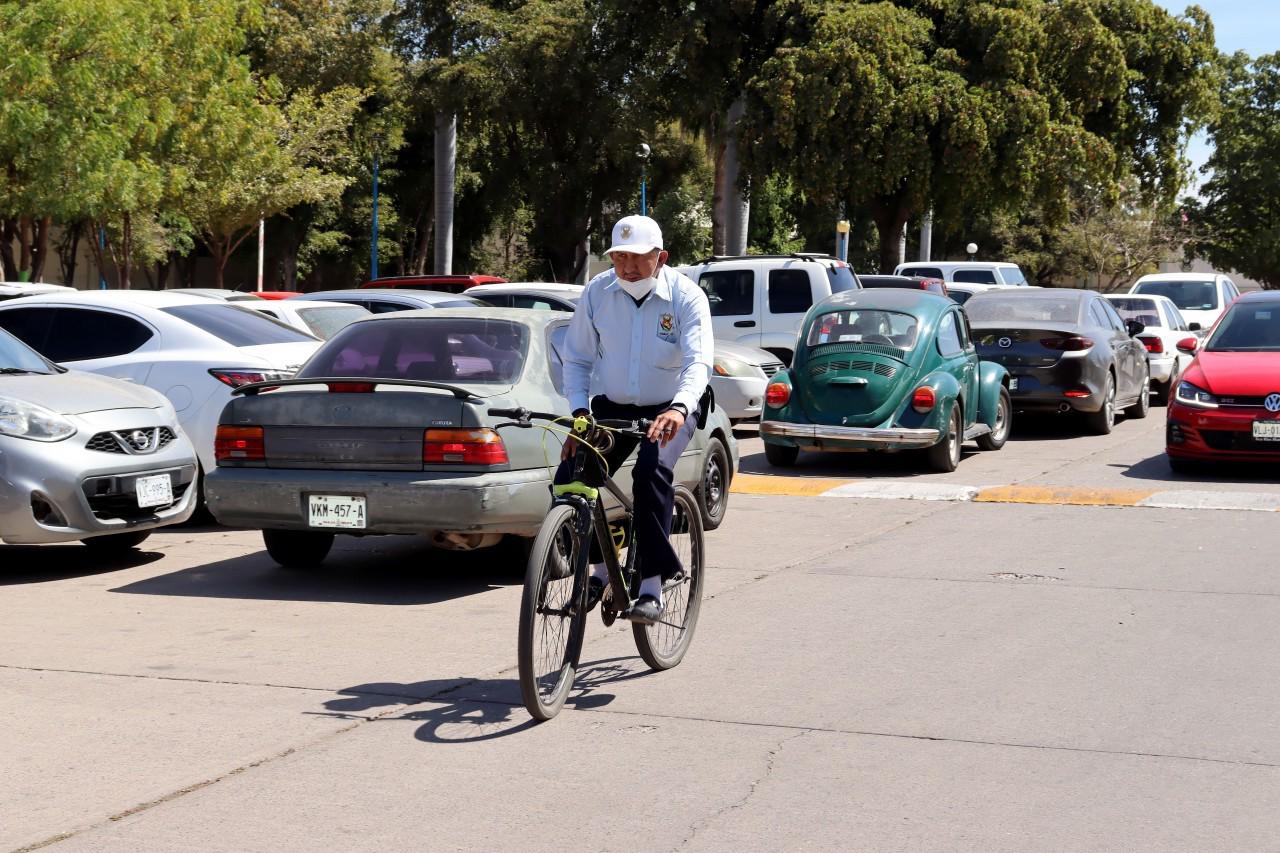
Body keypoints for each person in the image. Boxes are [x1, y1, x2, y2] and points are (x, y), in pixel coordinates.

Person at [558, 214, 713, 624]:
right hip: (614, 404)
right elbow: (577, 358)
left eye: (637, 257)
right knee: (574, 473)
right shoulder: (598, 292)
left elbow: (698, 363)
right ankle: (599, 570)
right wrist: (580, 413)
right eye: (619, 256)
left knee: (650, 473)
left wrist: (679, 408)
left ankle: (651, 587)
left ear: (661, 257)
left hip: (672, 405)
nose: (627, 266)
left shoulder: (687, 297)